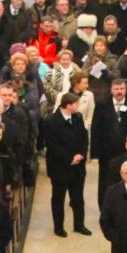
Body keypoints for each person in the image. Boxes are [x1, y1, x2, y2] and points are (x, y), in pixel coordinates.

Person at [44, 93, 91, 236]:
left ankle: (79, 225)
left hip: (78, 166)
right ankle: (58, 227)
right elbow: (52, 145)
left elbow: (84, 137)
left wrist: (81, 154)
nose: (78, 106)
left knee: (78, 198)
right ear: (68, 105)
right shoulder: (51, 121)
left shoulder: (77, 117)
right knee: (58, 198)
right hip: (59, 167)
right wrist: (70, 158)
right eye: (76, 104)